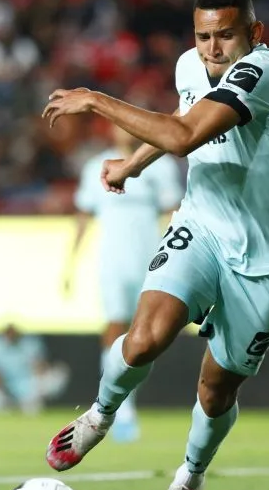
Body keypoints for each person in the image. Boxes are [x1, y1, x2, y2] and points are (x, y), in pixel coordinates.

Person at [41, 0, 269, 490]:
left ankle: (189, 477)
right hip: (201, 225)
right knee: (143, 339)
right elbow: (183, 113)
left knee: (215, 388)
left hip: (266, 258)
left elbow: (185, 135)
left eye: (226, 36)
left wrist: (95, 99)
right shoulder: (191, 65)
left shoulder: (263, 72)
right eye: (204, 35)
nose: (213, 48)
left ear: (253, 34)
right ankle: (99, 414)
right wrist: (134, 165)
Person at [64, 124, 182, 442]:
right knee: (114, 327)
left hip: (150, 260)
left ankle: (127, 402)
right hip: (112, 261)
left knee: (144, 338)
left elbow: (174, 215)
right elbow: (84, 215)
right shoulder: (96, 167)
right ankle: (117, 408)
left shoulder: (161, 164)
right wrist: (70, 265)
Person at [0, 324, 68, 415]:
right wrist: (7, 390)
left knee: (59, 372)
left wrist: (33, 387)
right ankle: (8, 409)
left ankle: (31, 404)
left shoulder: (31, 343)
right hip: (3, 390)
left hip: (28, 388)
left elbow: (41, 367)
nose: (12, 332)